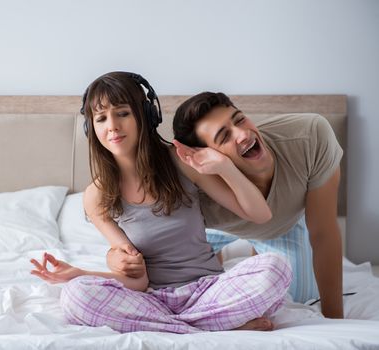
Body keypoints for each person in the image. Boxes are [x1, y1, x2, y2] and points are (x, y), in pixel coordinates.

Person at [30, 72, 292, 334]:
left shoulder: (182, 161)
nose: (112, 126)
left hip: (209, 290)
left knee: (275, 268)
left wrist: (225, 167)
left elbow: (260, 215)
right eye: (100, 118)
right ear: (91, 128)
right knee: (75, 295)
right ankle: (213, 326)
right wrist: (80, 274)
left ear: (146, 114)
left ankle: (176, 328)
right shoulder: (96, 196)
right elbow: (137, 282)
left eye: (122, 113)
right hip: (152, 300)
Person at [109, 91, 344, 319]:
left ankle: (255, 251)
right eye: (224, 137)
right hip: (204, 232)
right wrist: (113, 256)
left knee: (298, 295)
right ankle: (219, 257)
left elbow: (323, 233)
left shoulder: (309, 137)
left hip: (281, 225)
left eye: (239, 119)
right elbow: (141, 237)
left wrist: (336, 321)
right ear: (202, 156)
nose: (243, 134)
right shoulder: (193, 187)